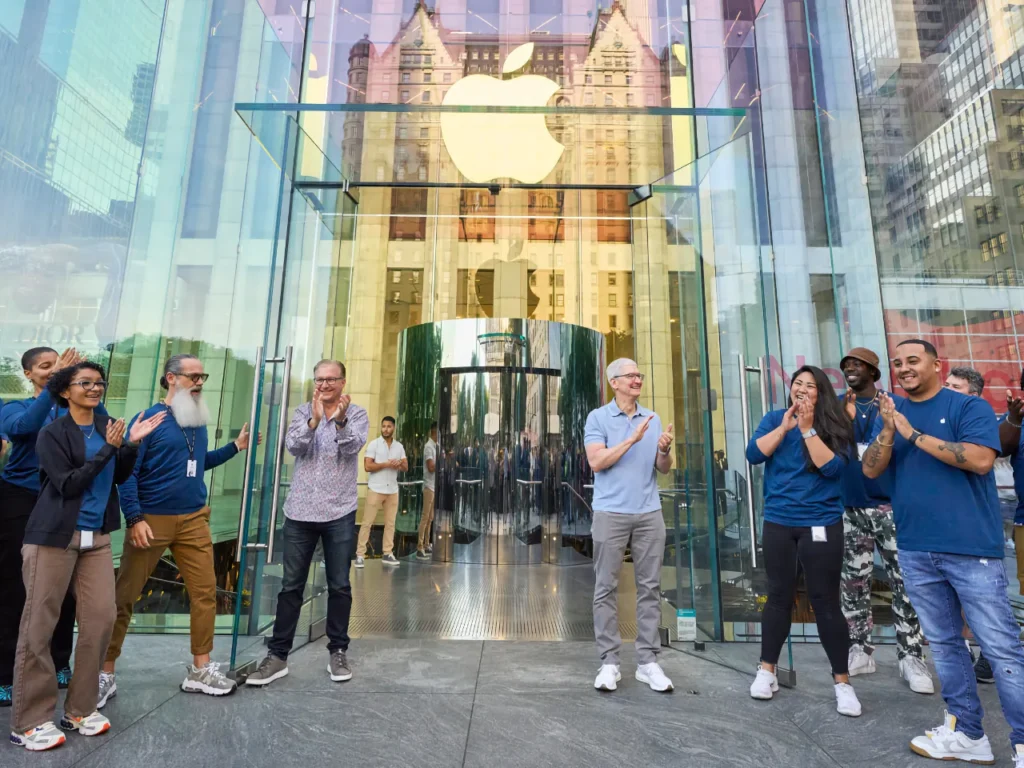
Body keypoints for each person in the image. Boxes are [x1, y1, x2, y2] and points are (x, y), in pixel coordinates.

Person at [863, 340, 1024, 765]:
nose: (904, 369)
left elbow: (979, 460)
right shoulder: (892, 414)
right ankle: (968, 734)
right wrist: (887, 429)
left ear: (938, 365)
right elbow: (870, 469)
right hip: (916, 549)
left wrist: (912, 434)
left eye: (913, 361)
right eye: (897, 363)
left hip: (971, 549)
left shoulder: (965, 407)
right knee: (946, 646)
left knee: (1002, 647)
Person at [10, 362, 164, 751]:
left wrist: (129, 446)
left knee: (100, 619)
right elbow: (67, 483)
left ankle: (79, 709)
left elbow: (119, 476)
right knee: (39, 627)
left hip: (95, 538)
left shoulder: (106, 425)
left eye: (99, 383)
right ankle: (29, 721)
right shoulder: (52, 433)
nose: (94, 388)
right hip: (52, 538)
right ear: (65, 390)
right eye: (85, 383)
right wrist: (110, 448)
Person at [99, 355, 253, 705]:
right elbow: (128, 475)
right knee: (124, 597)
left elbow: (197, 465)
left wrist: (235, 448)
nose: (199, 382)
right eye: (193, 376)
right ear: (171, 378)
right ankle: (104, 672)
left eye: (203, 376)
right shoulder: (147, 419)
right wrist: (135, 518)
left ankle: (200, 669)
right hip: (151, 521)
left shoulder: (196, 419)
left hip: (194, 519)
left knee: (205, 594)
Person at [747, 365, 862, 717]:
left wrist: (808, 429)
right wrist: (784, 428)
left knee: (825, 601)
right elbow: (754, 455)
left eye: (810, 386)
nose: (802, 389)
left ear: (820, 393)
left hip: (821, 523)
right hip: (779, 521)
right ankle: (767, 670)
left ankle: (842, 683)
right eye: (797, 383)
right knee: (778, 596)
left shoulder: (836, 423)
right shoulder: (773, 418)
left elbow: (832, 469)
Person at [245, 360, 369, 686]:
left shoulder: (356, 414)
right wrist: (314, 421)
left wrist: (339, 422)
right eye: (319, 379)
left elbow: (353, 447)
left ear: (342, 382)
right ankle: (278, 656)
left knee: (339, 585)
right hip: (299, 513)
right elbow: (294, 447)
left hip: (338, 513)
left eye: (330, 379)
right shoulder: (302, 412)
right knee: (290, 588)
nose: (324, 385)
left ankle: (338, 651)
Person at [0, 347, 94, 707]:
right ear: (27, 374)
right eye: (46, 367)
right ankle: (5, 675)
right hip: (20, 501)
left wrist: (79, 387)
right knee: (14, 590)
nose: (55, 371)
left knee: (64, 586)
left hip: (63, 500)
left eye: (60, 366)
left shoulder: (73, 406)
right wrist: (58, 381)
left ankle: (59, 662)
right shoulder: (15, 407)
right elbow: (22, 431)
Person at [839, 347, 932, 694]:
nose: (850, 369)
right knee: (853, 583)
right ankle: (859, 649)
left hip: (891, 506)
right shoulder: (838, 405)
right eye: (846, 365)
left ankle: (911, 656)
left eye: (857, 365)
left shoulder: (894, 404)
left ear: (873, 372)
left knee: (903, 582)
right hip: (851, 506)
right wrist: (843, 419)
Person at [585, 358, 675, 693]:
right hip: (610, 512)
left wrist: (663, 450)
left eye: (640, 374)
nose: (638, 379)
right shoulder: (598, 418)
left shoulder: (652, 418)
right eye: (631, 375)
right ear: (614, 382)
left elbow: (663, 468)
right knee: (605, 589)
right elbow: (597, 461)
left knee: (650, 588)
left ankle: (648, 662)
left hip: (650, 512)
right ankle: (609, 662)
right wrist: (631, 440)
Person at [942, 365, 1001, 685]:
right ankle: (963, 657)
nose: (947, 390)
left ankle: (992, 659)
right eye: (946, 385)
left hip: (974, 529)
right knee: (949, 601)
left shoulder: (977, 419)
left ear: (974, 396)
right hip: (940, 528)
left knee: (982, 603)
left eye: (956, 387)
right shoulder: (937, 421)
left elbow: (980, 462)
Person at [355, 416, 407, 568]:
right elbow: (368, 466)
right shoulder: (374, 444)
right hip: (376, 489)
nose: (385, 429)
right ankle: (360, 555)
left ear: (393, 428)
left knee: (390, 524)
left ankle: (387, 553)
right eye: (383, 426)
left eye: (389, 426)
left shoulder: (399, 447)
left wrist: (398, 464)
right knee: (367, 523)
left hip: (392, 489)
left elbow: (406, 466)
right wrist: (386, 464)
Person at [416, 422, 438, 560]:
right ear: (434, 432)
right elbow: (431, 467)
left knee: (430, 518)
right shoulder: (428, 447)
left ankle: (426, 543)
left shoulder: (435, 447)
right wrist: (441, 462)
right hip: (429, 486)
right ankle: (419, 547)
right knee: (425, 517)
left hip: (433, 485)